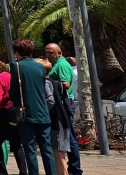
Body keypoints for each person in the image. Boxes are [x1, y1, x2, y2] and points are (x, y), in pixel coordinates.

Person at [10, 40, 54, 175]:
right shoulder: (40, 67)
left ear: (17, 52)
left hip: (26, 114)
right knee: (47, 149)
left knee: (30, 149)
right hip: (43, 113)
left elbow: (13, 92)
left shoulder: (15, 66)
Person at [0, 58, 27, 175]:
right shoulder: (9, 75)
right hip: (14, 113)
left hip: (3, 114)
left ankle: (2, 171)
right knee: (17, 145)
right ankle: (23, 171)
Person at [44, 44, 81, 175]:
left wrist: (49, 82)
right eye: (46, 52)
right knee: (67, 136)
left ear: (59, 53)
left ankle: (75, 168)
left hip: (65, 103)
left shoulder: (62, 65)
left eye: (50, 52)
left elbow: (66, 84)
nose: (47, 55)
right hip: (62, 103)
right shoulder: (57, 65)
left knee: (69, 136)